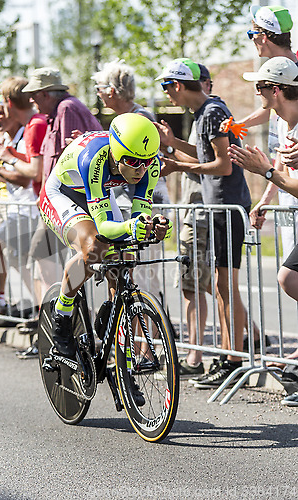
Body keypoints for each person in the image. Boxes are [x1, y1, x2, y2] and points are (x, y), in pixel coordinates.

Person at [39, 113, 172, 358]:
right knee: (94, 248)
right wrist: (130, 228)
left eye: (146, 161)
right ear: (115, 152)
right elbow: (104, 227)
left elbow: (140, 213)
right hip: (62, 193)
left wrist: (151, 226)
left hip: (98, 192)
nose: (141, 169)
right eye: (132, 162)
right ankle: (62, 314)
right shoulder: (95, 158)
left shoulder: (150, 163)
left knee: (126, 257)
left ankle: (117, 330)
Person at [155, 58, 252, 389]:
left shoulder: (211, 112)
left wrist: (176, 166)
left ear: (179, 85)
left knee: (226, 286)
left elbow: (223, 166)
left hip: (227, 206)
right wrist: (173, 148)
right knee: (223, 286)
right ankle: (229, 356)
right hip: (221, 207)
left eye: (166, 86)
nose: (165, 94)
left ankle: (233, 359)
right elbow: (203, 158)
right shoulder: (208, 111)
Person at [227, 56, 298, 405]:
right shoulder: (285, 124)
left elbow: (285, 174)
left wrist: (266, 172)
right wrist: (267, 195)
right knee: (289, 278)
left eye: (260, 87)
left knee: (288, 278)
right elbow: (285, 167)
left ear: (277, 89)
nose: (256, 93)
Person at [21, 67, 103, 320]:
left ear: (46, 93)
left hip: (70, 198)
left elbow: (68, 157)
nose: (32, 100)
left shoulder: (67, 109)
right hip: (62, 197)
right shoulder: (57, 112)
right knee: (51, 257)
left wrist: (48, 192)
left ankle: (66, 319)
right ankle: (65, 318)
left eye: (34, 94)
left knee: (52, 255)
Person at [222, 5, 298, 257]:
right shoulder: (273, 77)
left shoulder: (289, 72)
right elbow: (281, 152)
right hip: (287, 184)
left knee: (290, 276)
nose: (252, 40)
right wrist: (266, 198)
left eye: (251, 34)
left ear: (263, 36)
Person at [0, 77, 46, 315]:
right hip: (19, 208)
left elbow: (27, 178)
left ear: (11, 108)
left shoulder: (30, 130)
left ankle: (32, 310)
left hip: (30, 209)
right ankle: (33, 310)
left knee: (25, 262)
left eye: (0, 112)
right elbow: (7, 174)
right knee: (16, 261)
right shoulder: (9, 139)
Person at [92, 58, 170, 208]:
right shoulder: (129, 117)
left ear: (111, 91)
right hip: (133, 193)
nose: (98, 94)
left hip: (146, 196)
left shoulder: (138, 118)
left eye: (99, 89)